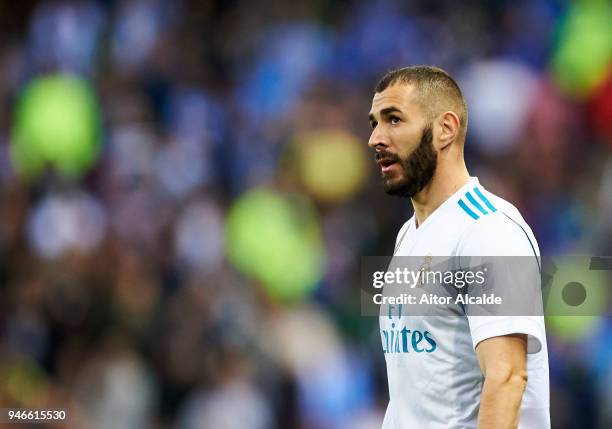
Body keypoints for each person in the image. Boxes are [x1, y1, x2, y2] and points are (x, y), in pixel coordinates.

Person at [368, 66, 550, 428]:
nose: (376, 138)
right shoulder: (410, 234)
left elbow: (507, 378)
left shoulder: (489, 231)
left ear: (445, 129)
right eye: (374, 123)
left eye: (394, 120)